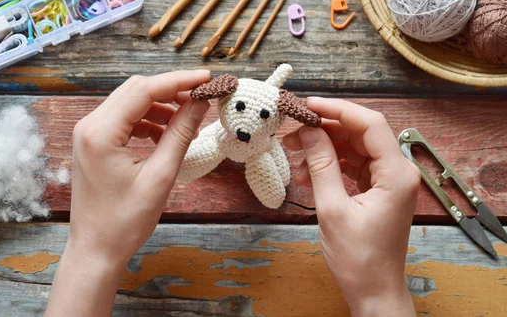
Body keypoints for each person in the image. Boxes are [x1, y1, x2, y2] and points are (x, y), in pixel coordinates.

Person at [45, 71, 421, 317]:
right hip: (219, 144)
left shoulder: (267, 137)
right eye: (238, 109)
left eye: (260, 117)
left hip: (261, 153)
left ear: (274, 119)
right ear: (227, 102)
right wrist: (379, 296)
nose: (246, 124)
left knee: (273, 189)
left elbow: (277, 181)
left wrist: (90, 252)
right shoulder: (221, 128)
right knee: (192, 161)